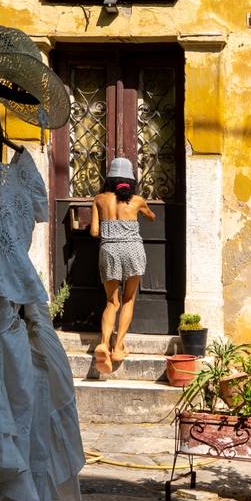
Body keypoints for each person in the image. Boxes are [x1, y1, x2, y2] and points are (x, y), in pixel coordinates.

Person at [88, 156, 156, 374]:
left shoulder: (99, 199)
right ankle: (118, 348)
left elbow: (94, 232)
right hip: (133, 250)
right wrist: (144, 210)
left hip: (109, 250)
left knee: (112, 301)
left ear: (109, 179)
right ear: (131, 180)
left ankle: (103, 344)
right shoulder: (137, 200)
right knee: (128, 299)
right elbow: (152, 217)